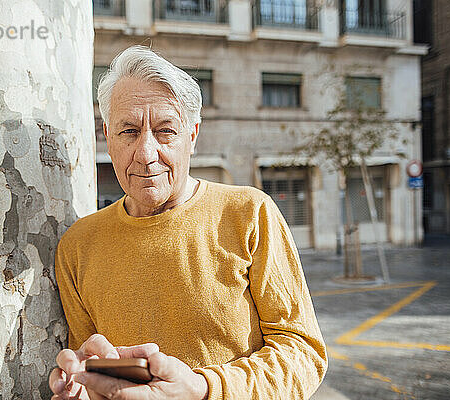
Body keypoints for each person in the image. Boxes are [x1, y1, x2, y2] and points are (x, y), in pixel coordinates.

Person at [48, 45, 327, 400]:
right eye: (129, 132)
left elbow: (305, 354)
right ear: (106, 135)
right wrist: (83, 388)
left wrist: (203, 388)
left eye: (165, 131)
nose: (146, 154)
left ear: (192, 136)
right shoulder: (77, 245)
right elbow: (91, 367)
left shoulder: (250, 214)